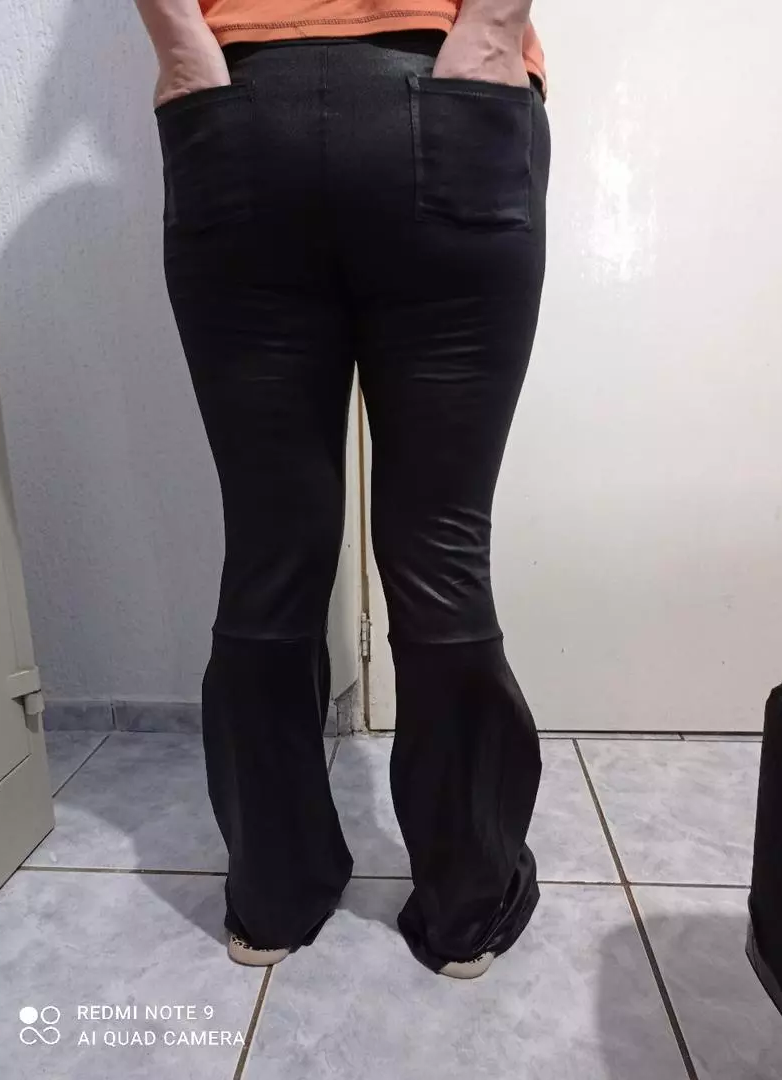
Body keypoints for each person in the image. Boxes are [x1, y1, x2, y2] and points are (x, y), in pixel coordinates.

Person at [133, 0, 550, 980]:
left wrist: (183, 50)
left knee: (271, 548)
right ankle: (466, 905)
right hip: (443, 95)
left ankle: (272, 898)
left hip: (238, 110)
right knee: (437, 547)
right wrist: (493, 29)